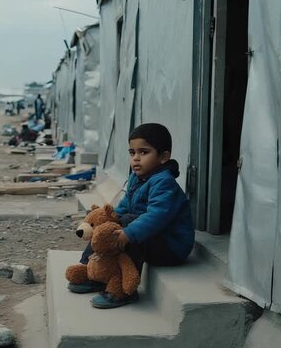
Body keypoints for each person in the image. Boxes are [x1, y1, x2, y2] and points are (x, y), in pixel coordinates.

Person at [68, 123, 194, 309]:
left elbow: (157, 217)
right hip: (148, 237)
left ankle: (124, 291)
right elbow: (124, 206)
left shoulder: (164, 183)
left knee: (128, 224)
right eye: (132, 153)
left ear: (163, 157)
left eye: (144, 152)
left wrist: (128, 232)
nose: (136, 159)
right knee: (108, 224)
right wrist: (108, 221)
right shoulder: (137, 178)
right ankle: (92, 271)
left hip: (170, 247)